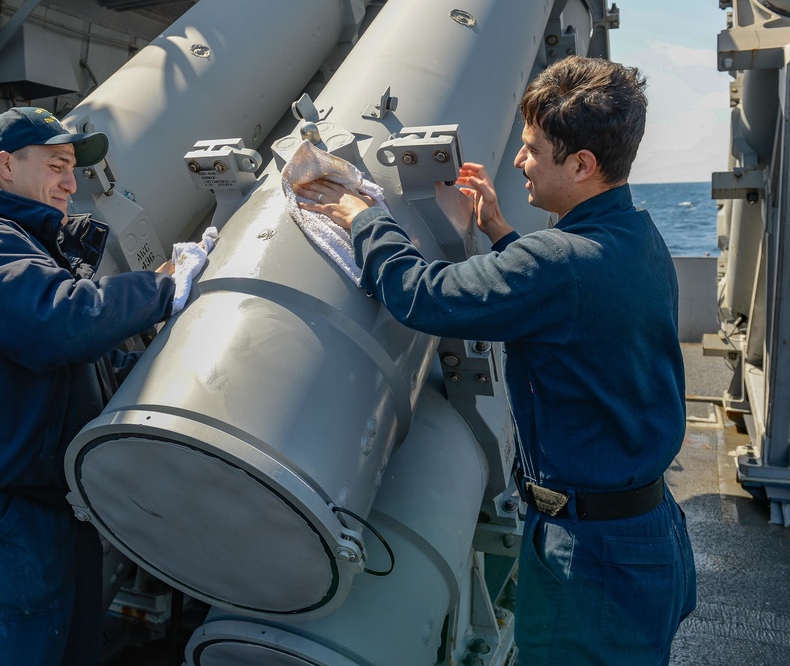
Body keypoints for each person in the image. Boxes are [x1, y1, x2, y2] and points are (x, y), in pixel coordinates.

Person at [296, 56, 696, 664]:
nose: (518, 159)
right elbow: (573, 306)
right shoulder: (637, 236)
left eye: (534, 149)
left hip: (592, 562)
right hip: (646, 534)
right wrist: (502, 234)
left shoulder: (557, 265)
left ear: (583, 165)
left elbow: (423, 297)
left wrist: (364, 217)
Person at [0, 107, 179, 665]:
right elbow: (61, 325)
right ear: (6, 166)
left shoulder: (35, 247)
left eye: (75, 169)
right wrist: (162, 290)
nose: (71, 182)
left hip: (54, 507)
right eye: (57, 164)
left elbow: (80, 367)